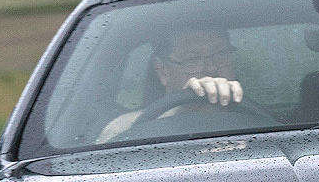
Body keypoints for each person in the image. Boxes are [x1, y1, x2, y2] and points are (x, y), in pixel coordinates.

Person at [97, 27, 245, 142]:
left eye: (221, 54)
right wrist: (181, 110)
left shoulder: (265, 123)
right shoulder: (137, 127)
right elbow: (109, 136)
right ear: (163, 71)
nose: (211, 67)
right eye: (191, 59)